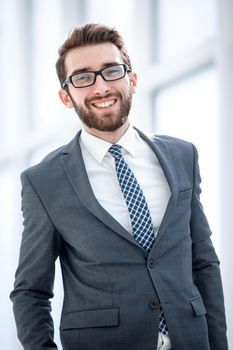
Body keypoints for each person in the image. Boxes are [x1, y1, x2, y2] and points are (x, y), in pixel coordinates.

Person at [10, 23, 228, 350]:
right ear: (66, 96)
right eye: (83, 77)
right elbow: (31, 292)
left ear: (133, 80)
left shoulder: (184, 156)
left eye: (111, 71)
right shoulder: (43, 181)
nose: (100, 86)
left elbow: (204, 263)